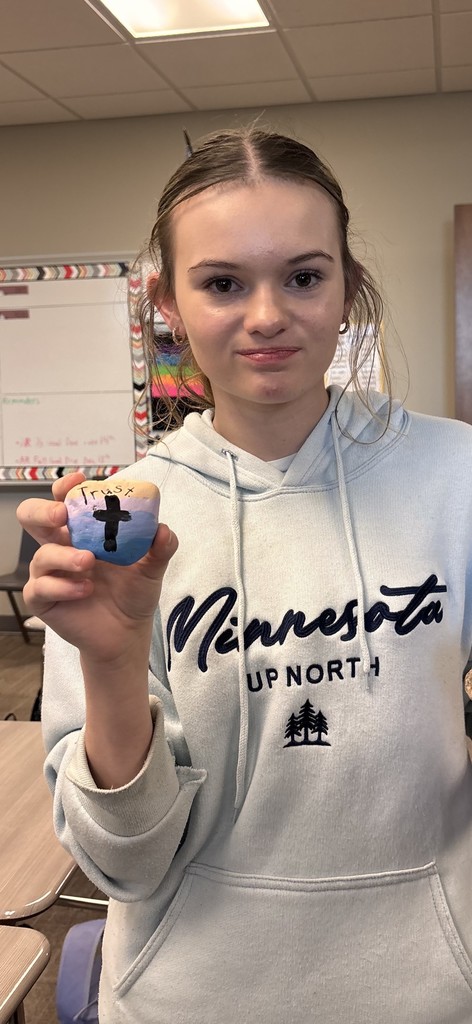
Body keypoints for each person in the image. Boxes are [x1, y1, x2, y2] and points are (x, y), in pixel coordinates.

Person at [17, 126, 472, 1024]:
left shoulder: (456, 476)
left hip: (430, 990)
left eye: (304, 276)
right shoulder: (117, 528)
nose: (267, 315)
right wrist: (111, 663)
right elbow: (124, 865)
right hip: (191, 999)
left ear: (348, 290)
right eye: (223, 283)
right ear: (169, 306)